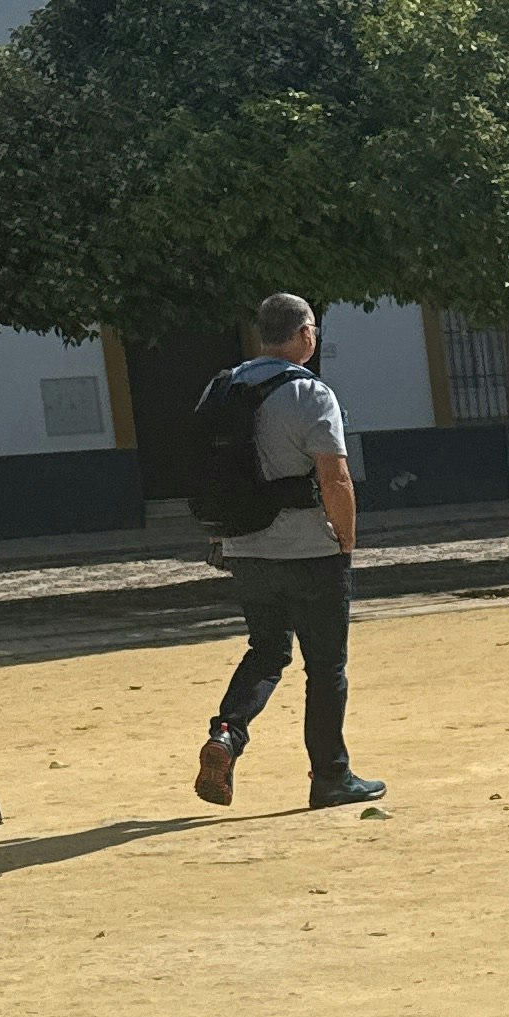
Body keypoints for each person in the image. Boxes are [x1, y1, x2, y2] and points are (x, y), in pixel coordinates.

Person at [192, 293, 384, 812]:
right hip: (307, 548)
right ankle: (331, 777)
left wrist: (220, 533)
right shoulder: (309, 394)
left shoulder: (223, 386)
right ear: (303, 334)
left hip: (246, 547)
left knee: (267, 650)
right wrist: (346, 539)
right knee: (325, 666)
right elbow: (334, 476)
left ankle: (227, 735)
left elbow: (212, 471)